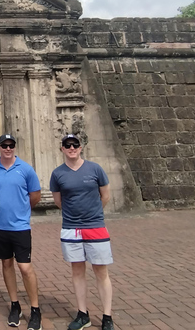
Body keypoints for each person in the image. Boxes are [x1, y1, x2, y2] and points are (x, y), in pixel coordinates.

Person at [50, 134, 114, 330]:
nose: (71, 148)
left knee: (101, 271)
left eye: (75, 145)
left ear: (80, 147)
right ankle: (82, 313)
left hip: (95, 226)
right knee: (77, 271)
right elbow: (58, 201)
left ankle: (107, 316)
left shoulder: (95, 169)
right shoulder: (57, 174)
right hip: (71, 228)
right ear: (62, 148)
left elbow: (105, 196)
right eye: (67, 145)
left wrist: (92, 213)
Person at [0, 134, 42, 330]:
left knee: (25, 267)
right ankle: (15, 304)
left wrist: (22, 210)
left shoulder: (25, 169)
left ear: (14, 147)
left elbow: (35, 195)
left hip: (20, 227)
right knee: (6, 264)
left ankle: (35, 309)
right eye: (4, 145)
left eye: (11, 145)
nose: (8, 149)